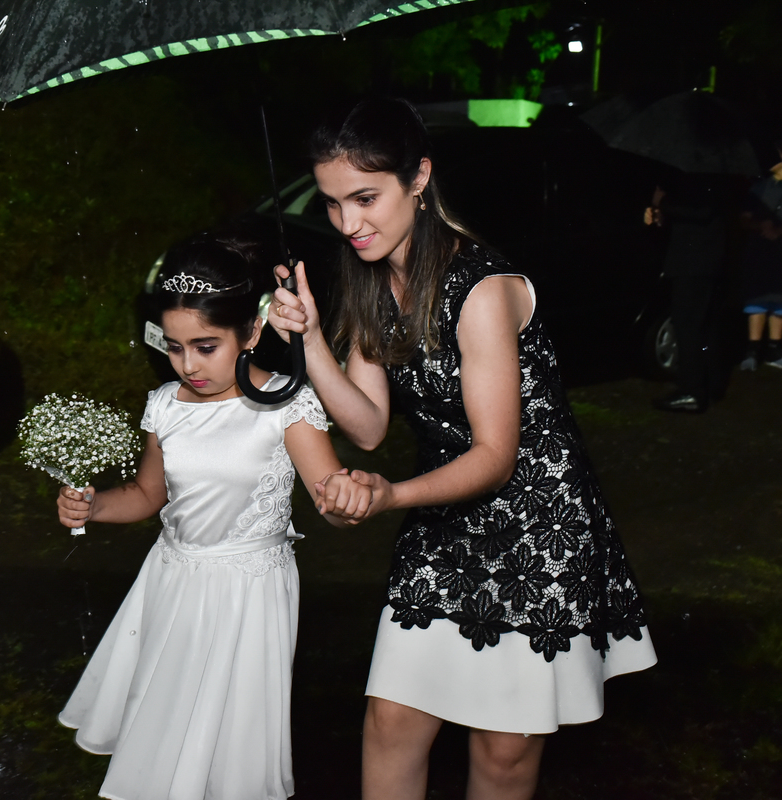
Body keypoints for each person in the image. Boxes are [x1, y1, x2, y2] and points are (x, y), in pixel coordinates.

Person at [267, 98, 657, 800]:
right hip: (446, 519)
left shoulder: (481, 288)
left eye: (365, 198)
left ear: (418, 178)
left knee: (504, 750)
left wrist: (391, 495)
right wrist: (312, 341)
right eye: (332, 203)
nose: (348, 224)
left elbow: (495, 456)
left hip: (539, 525)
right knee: (391, 721)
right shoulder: (369, 279)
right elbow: (368, 426)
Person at [55, 233, 365, 800]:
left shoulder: (287, 406)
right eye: (174, 347)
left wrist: (347, 501)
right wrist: (95, 506)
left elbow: (333, 504)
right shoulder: (165, 405)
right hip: (171, 582)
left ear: (252, 332)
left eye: (205, 346)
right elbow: (147, 495)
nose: (188, 365)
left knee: (228, 741)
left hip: (249, 593)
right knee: (166, 725)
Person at [643, 175, 728, 411]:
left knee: (688, 325)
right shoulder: (709, 174)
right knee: (702, 325)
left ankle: (692, 390)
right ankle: (709, 385)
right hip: (700, 261)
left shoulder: (703, 177)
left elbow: (700, 211)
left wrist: (663, 202)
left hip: (694, 263)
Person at [736, 141, 782, 371]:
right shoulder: (760, 187)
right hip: (759, 253)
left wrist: (779, 230)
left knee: (779, 302)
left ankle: (775, 351)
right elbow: (743, 219)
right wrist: (760, 226)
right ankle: (752, 352)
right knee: (757, 301)